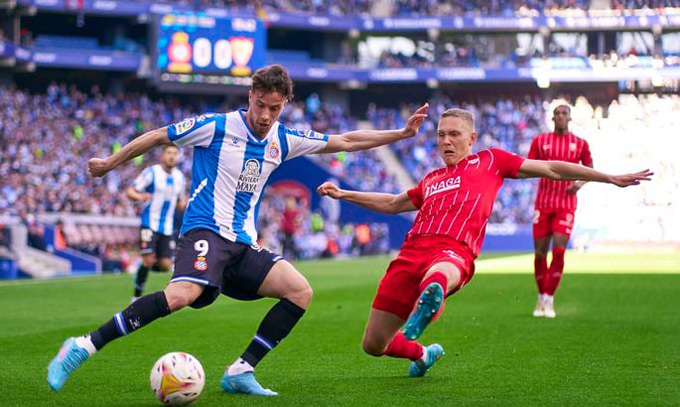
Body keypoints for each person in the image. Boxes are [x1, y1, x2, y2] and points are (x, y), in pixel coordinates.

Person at [47, 64, 429, 396]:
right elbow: (158, 135)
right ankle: (83, 346)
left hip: (242, 244)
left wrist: (400, 133)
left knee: (299, 291)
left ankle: (241, 370)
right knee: (180, 295)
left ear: (283, 106)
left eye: (274, 108)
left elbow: (345, 140)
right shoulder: (215, 126)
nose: (265, 115)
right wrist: (110, 163)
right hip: (204, 231)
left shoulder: (283, 138)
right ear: (250, 97)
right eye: (260, 105)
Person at [317, 108, 651, 378]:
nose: (446, 141)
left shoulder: (491, 161)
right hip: (409, 254)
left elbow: (549, 167)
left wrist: (607, 177)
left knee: (439, 273)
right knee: (373, 344)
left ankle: (431, 296)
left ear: (472, 138)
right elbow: (392, 203)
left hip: (453, 250)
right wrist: (345, 193)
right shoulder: (431, 179)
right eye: (441, 135)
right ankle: (422, 353)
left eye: (454, 134)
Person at [528, 104, 592, 318]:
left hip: (565, 205)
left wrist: (579, 184)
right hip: (543, 204)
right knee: (539, 253)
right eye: (557, 114)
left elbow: (589, 170)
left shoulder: (580, 144)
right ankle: (540, 296)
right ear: (553, 118)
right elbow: (528, 165)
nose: (561, 117)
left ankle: (549, 298)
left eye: (564, 113)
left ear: (570, 118)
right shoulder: (540, 141)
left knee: (559, 250)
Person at [127, 144, 186, 302]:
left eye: (175, 153)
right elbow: (130, 191)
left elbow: (181, 202)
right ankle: (136, 297)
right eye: (169, 153)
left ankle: (142, 268)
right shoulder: (151, 172)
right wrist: (140, 197)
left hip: (167, 227)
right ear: (162, 155)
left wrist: (188, 203)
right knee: (148, 259)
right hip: (149, 223)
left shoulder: (180, 177)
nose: (172, 156)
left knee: (166, 265)